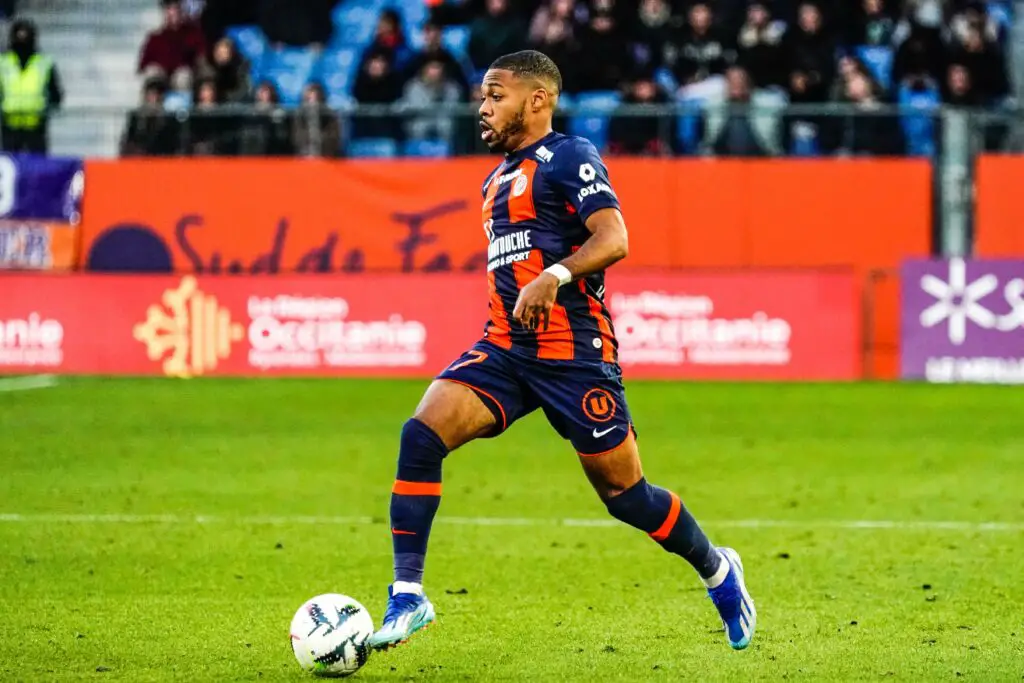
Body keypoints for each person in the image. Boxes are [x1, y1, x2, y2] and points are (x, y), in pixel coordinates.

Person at [366, 50, 756, 653]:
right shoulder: (494, 180)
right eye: (483, 96)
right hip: (505, 349)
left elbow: (614, 238)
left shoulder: (569, 156)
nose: (483, 106)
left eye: (496, 95)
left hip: (574, 355)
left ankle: (718, 570)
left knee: (626, 497)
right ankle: (408, 595)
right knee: (420, 436)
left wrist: (555, 275)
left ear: (538, 99)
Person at [0, 18, 62, 154]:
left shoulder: (44, 63)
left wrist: (45, 110)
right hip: (9, 124)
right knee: (10, 164)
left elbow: (56, 94)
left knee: (37, 164)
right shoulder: (3, 62)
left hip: (36, 125)